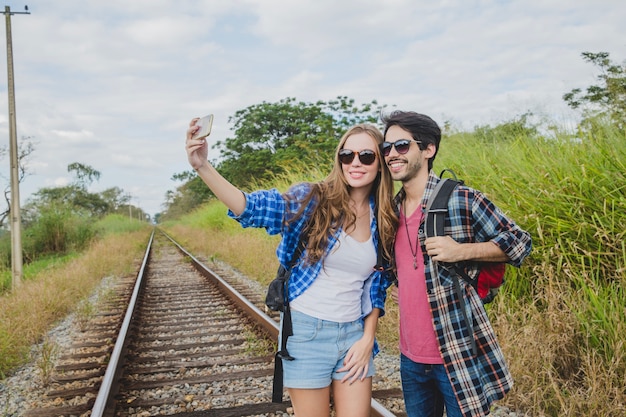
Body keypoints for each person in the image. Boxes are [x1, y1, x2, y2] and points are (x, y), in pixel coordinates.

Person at [185, 119, 397, 417]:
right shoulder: (313, 199)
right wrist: (203, 166)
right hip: (307, 334)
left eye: (366, 156)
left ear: (380, 163)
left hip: (353, 336)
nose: (355, 163)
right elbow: (255, 208)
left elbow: (378, 283)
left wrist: (367, 338)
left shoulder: (384, 216)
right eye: (346, 155)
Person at [380, 111, 532, 417]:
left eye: (401, 146)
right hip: (410, 358)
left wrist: (461, 251)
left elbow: (520, 242)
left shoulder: (460, 199)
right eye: (387, 148)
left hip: (457, 353)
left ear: (428, 149)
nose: (392, 155)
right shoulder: (391, 210)